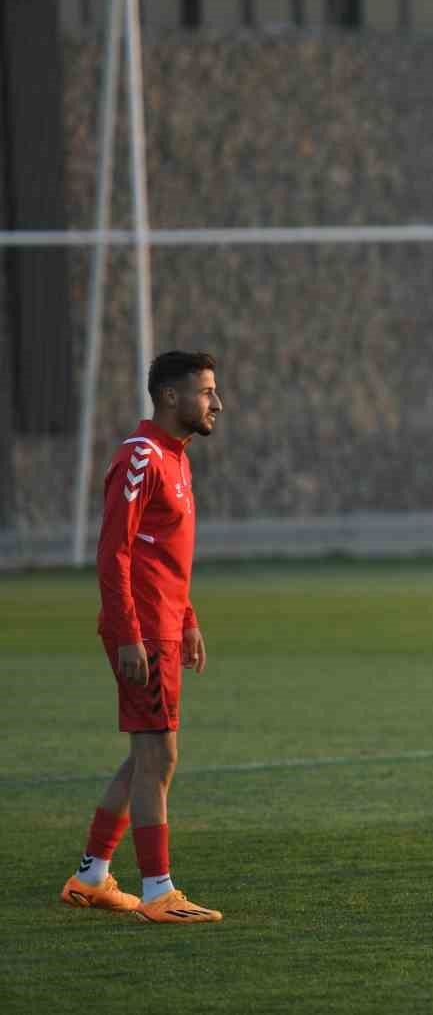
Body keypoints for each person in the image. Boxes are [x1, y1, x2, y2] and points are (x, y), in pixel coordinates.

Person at [61, 351, 224, 923]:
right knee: (160, 755)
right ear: (172, 397)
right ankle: (159, 892)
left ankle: (90, 877)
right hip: (143, 632)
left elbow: (164, 554)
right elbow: (116, 551)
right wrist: (131, 633)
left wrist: (189, 618)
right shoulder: (140, 457)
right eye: (207, 391)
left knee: (144, 758)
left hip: (163, 624)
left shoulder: (176, 460)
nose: (217, 403)